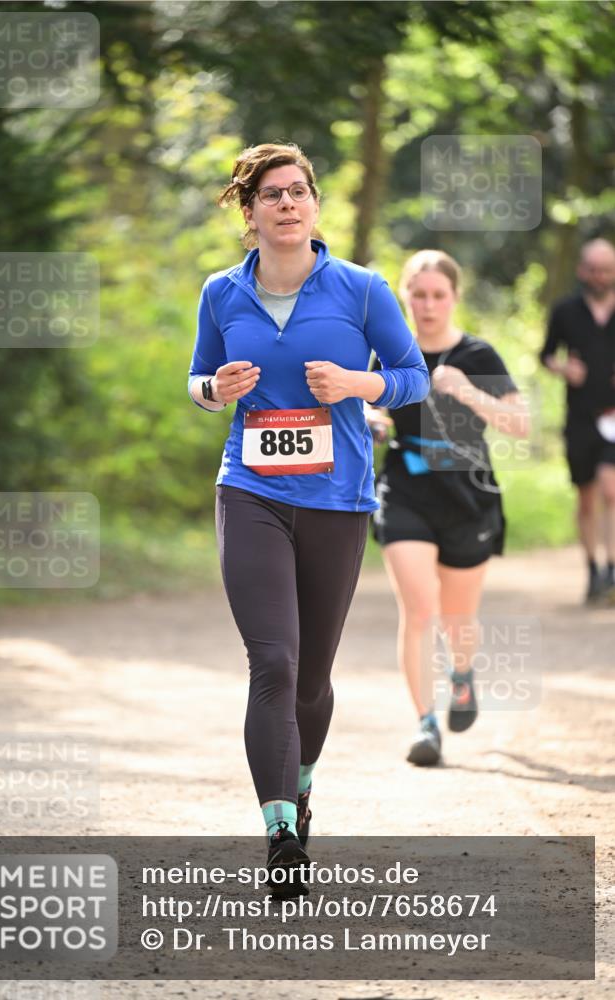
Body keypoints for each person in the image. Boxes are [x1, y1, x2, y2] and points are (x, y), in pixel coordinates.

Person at [188, 143, 429, 891]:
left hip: (337, 499)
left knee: (312, 679)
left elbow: (413, 377)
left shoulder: (360, 289)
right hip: (251, 491)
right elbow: (198, 379)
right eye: (271, 195)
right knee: (274, 662)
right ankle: (279, 833)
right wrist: (214, 390)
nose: (287, 204)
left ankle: (303, 790)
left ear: (314, 205)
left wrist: (356, 381)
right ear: (248, 211)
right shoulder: (221, 293)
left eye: (298, 192)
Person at [368, 250, 529, 767]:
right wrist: (373, 421)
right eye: (418, 294)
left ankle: (462, 674)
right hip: (404, 487)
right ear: (404, 297)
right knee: (419, 609)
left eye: (438, 295)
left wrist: (466, 392)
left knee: (458, 618)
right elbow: (367, 404)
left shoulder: (479, 355)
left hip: (466, 494)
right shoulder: (391, 353)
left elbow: (519, 423)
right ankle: (425, 723)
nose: (428, 305)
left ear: (454, 297)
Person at [540, 238, 615, 602]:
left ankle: (613, 569)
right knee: (586, 498)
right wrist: (564, 368)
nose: (601, 277)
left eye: (608, 270)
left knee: (611, 489)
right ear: (582, 270)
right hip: (580, 416)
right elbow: (546, 355)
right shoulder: (566, 310)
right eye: (595, 270)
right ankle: (593, 570)